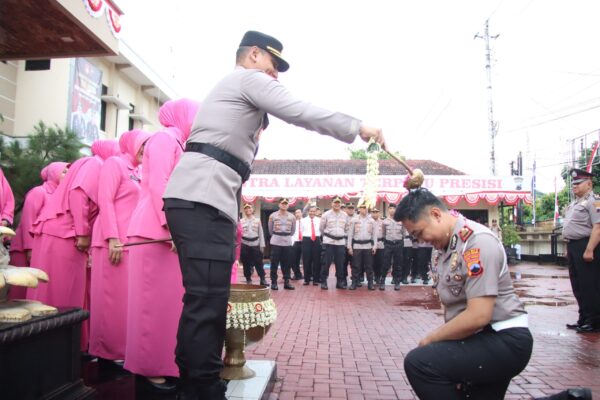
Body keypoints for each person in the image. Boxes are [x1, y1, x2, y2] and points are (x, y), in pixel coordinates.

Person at [162, 30, 384, 399]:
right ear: (252, 55)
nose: (275, 74)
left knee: (205, 300)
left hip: (204, 196)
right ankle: (200, 390)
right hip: (202, 198)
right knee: (206, 302)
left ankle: (198, 382)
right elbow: (299, 110)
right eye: (272, 63)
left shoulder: (234, 86)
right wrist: (357, 127)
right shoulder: (248, 78)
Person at [396, 188, 532, 399]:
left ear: (436, 214)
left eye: (419, 233)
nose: (421, 240)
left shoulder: (476, 243)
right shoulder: (444, 248)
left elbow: (479, 316)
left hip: (503, 338)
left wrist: (430, 341)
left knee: (420, 363)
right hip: (480, 338)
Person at [125, 99, 200, 393]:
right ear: (182, 116)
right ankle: (149, 368)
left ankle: (165, 363)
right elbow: (159, 183)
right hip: (154, 231)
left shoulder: (178, 143)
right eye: (195, 115)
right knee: (151, 305)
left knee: (166, 304)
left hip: (166, 229)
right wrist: (169, 226)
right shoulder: (162, 139)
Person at [28, 140, 119, 350]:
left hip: (61, 233)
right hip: (63, 233)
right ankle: (54, 347)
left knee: (63, 291)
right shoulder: (95, 165)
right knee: (60, 293)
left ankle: (63, 347)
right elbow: (78, 195)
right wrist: (83, 232)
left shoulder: (96, 165)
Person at [89, 129, 151, 364]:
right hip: (111, 241)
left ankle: (121, 350)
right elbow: (105, 200)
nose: (146, 150)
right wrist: (112, 238)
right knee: (109, 300)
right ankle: (106, 352)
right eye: (143, 144)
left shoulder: (138, 170)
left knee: (123, 302)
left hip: (130, 243)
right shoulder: (114, 164)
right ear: (133, 144)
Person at [561, 168, 600, 333]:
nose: (574, 186)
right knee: (578, 285)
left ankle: (595, 321)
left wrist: (589, 249)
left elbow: (598, 227)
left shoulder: (594, 201)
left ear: (589, 184)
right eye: (573, 184)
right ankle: (583, 317)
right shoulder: (575, 203)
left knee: (590, 285)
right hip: (574, 246)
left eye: (578, 183)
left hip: (586, 245)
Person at [320, 197, 350, 290]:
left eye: (338, 203)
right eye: (335, 202)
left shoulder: (345, 215)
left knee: (340, 263)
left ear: (340, 204)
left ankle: (339, 282)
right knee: (326, 263)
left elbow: (347, 228)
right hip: (329, 242)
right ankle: (324, 281)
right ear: (331, 203)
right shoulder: (326, 215)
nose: (337, 204)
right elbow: (321, 229)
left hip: (340, 242)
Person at [267, 198, 296, 290]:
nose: (284, 205)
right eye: (282, 203)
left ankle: (286, 282)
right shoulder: (273, 216)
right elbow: (270, 230)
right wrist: (277, 235)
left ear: (288, 205)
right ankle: (274, 282)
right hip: (276, 241)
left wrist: (286, 236)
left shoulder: (292, 217)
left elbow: (293, 231)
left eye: (286, 203)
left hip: (287, 241)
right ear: (279, 204)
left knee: (287, 263)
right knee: (274, 263)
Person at [347, 204, 377, 290]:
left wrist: (374, 246)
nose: (364, 209)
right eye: (362, 208)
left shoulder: (372, 221)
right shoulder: (354, 220)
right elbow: (350, 235)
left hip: (368, 246)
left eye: (365, 208)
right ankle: (354, 283)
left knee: (369, 266)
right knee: (355, 265)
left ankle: (370, 283)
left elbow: (374, 235)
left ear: (367, 209)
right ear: (359, 208)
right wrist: (349, 247)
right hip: (357, 246)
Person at [240, 203, 267, 285]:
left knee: (259, 262)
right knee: (246, 263)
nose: (248, 210)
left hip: (255, 244)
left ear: (252, 210)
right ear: (244, 210)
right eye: (246, 208)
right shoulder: (241, 221)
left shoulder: (257, 220)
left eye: (250, 208)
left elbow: (261, 233)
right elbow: (239, 234)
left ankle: (262, 279)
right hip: (244, 244)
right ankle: (248, 279)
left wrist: (262, 245)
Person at [381, 203, 404, 291]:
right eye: (390, 208)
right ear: (388, 210)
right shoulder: (385, 221)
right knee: (386, 263)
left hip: (398, 244)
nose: (392, 210)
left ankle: (397, 282)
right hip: (388, 244)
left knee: (398, 264)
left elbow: (403, 233)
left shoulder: (401, 221)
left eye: (393, 208)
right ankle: (382, 281)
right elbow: (383, 234)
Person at [300, 205, 321, 285]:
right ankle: (306, 279)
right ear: (308, 212)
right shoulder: (303, 220)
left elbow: (321, 230)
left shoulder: (319, 220)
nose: (312, 213)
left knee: (317, 260)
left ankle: (315, 280)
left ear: (315, 212)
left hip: (316, 240)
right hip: (306, 240)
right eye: (311, 211)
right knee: (306, 260)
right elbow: (301, 230)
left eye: (313, 211)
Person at [371, 207, 385, 285]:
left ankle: (378, 277)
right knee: (371, 262)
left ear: (379, 213)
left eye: (376, 212)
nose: (375, 214)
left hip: (380, 244)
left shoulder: (383, 222)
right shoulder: (369, 222)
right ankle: (372, 276)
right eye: (373, 212)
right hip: (371, 245)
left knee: (380, 262)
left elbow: (385, 233)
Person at [343, 202, 355, 284]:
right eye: (349, 208)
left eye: (352, 208)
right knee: (343, 262)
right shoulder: (342, 218)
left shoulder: (358, 218)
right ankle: (343, 279)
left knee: (355, 262)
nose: (350, 210)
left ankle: (355, 279)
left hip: (355, 243)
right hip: (344, 242)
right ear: (346, 209)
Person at [290, 208, 304, 280]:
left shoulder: (305, 221)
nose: (297, 214)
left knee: (306, 260)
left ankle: (309, 275)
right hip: (295, 242)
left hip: (304, 242)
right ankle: (297, 274)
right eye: (296, 213)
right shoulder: (293, 222)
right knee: (294, 260)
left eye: (299, 212)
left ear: (302, 213)